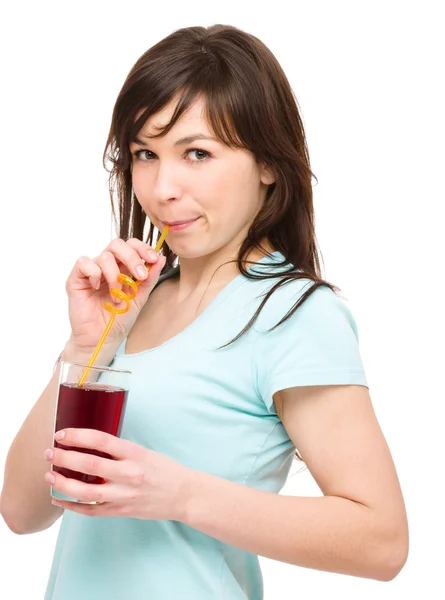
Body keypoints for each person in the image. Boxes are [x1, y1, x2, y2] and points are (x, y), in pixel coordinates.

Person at [0, 24, 408, 600]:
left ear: (268, 163)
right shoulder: (131, 305)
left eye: (197, 153)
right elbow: (21, 510)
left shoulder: (294, 314)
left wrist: (180, 494)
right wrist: (86, 348)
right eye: (145, 153)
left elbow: (382, 542)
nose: (163, 187)